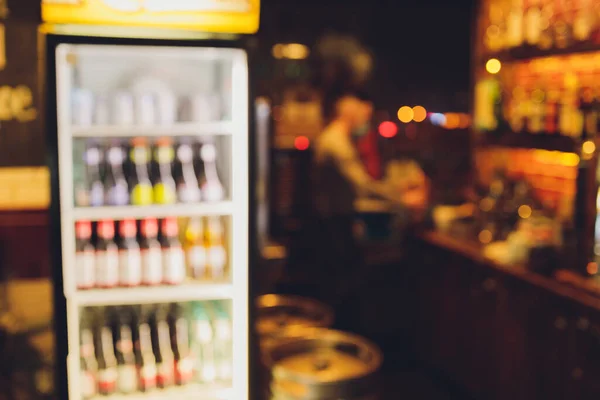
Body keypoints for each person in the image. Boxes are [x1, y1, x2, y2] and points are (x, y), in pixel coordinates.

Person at [310, 89, 427, 313]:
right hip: (334, 225)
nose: (365, 121)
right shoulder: (336, 142)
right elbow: (362, 185)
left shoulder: (337, 139)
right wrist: (401, 198)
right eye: (363, 116)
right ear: (350, 113)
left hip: (335, 221)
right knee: (342, 290)